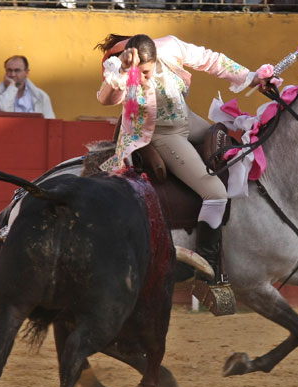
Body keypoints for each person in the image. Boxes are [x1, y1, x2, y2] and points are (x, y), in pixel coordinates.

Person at [95, 33, 275, 284]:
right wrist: (125, 71)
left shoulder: (170, 47)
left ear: (156, 57)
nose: (144, 78)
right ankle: (206, 265)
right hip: (161, 133)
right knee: (215, 193)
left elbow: (211, 60)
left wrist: (251, 76)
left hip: (186, 120)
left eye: (147, 72)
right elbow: (106, 99)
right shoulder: (120, 66)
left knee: (232, 146)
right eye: (141, 73)